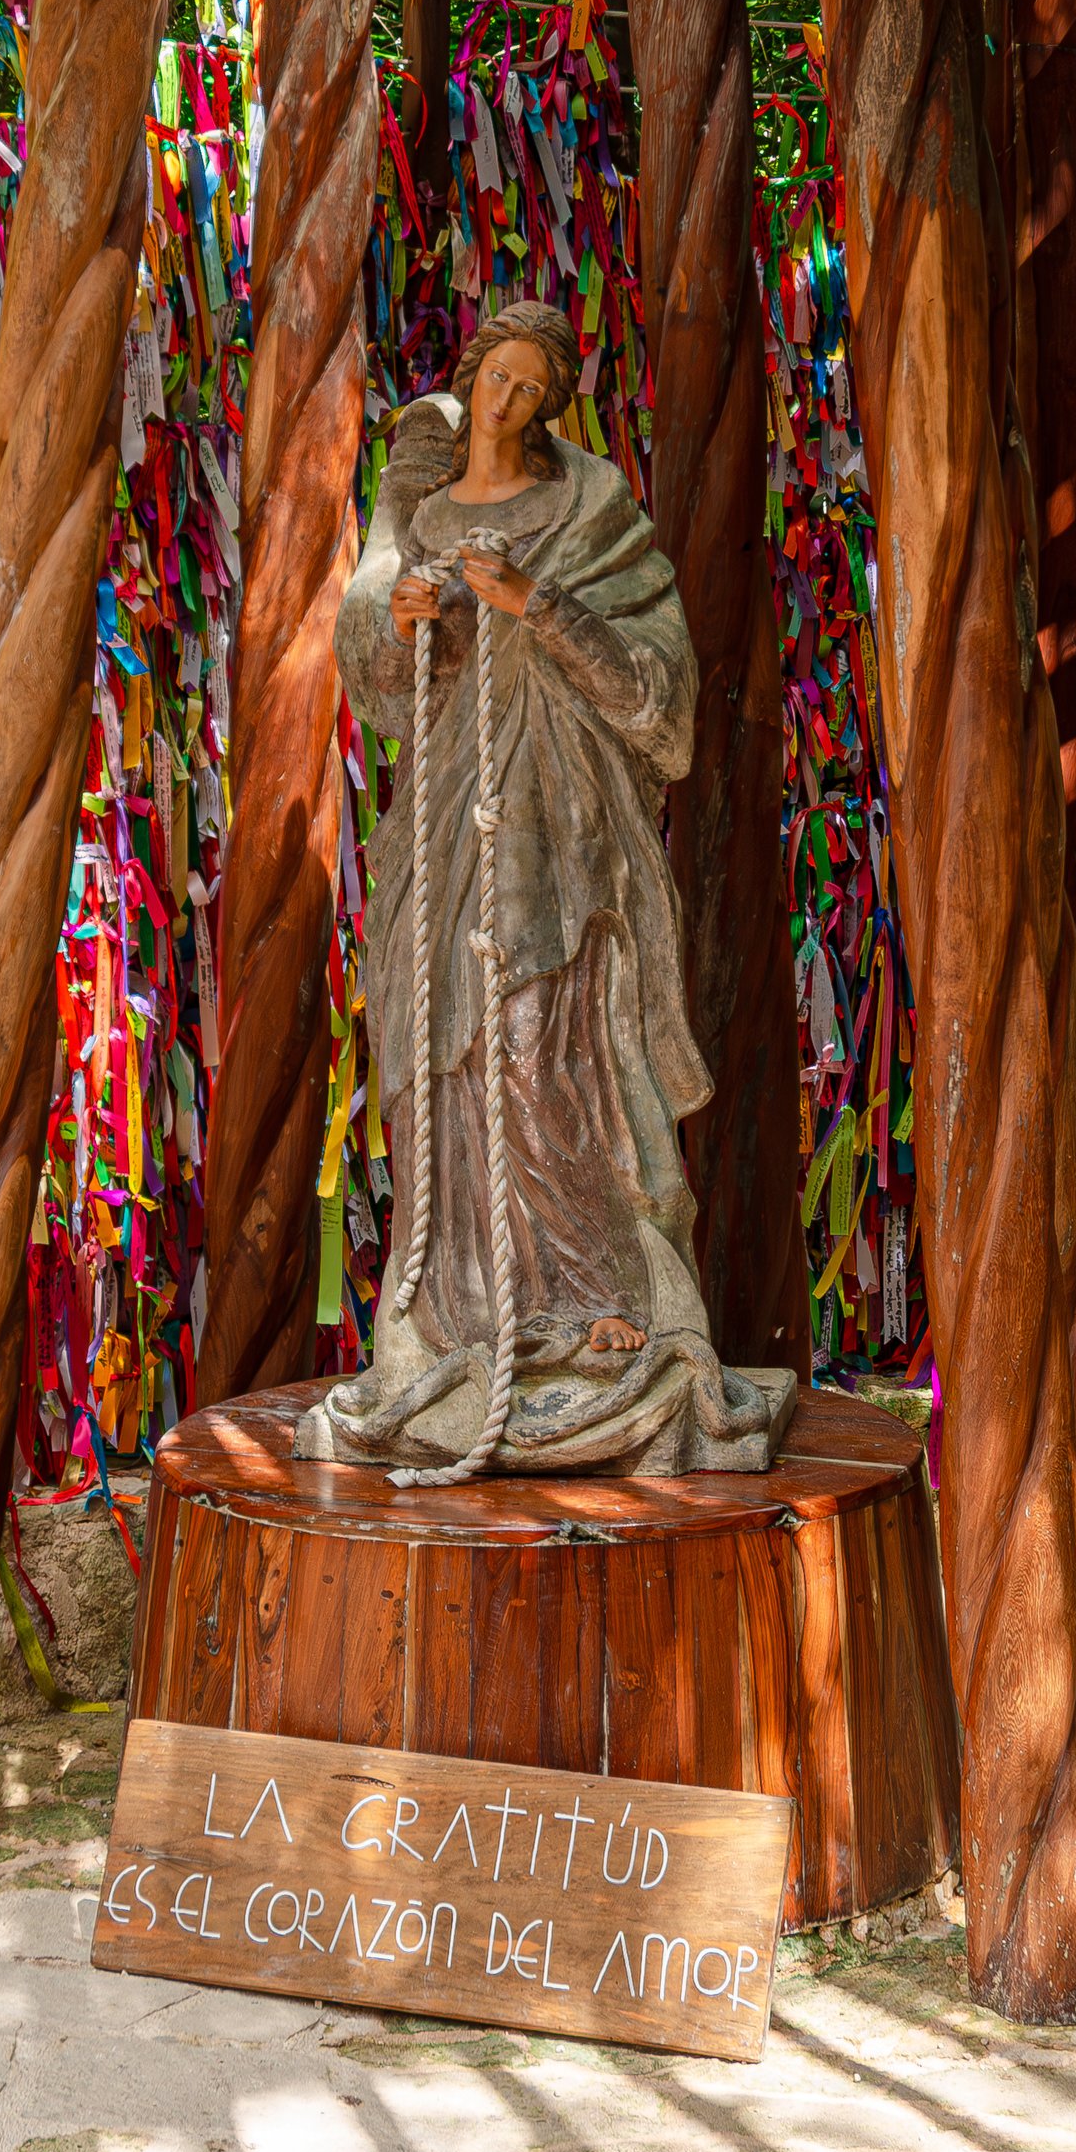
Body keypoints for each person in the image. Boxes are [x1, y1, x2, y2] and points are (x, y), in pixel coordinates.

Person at [294, 301, 793, 1479]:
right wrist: (405, 620)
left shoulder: (591, 509)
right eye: (497, 378)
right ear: (471, 378)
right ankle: (469, 1323)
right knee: (441, 1061)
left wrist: (536, 604)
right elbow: (381, 674)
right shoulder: (420, 516)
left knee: (542, 1053)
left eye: (532, 388)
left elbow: (657, 691)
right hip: (447, 825)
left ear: (552, 404)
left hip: (561, 831)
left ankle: (596, 1304)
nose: (509, 402)